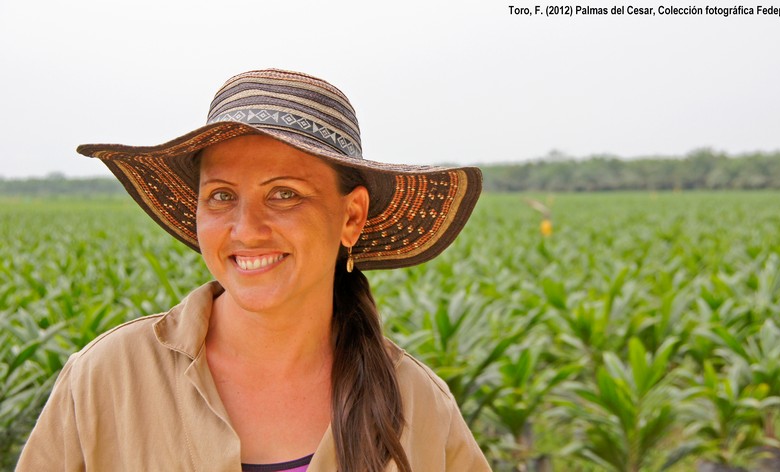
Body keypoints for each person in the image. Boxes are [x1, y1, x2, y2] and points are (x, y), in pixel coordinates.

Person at [17, 69, 489, 471]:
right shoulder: (107, 377)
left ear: (351, 217)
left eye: (284, 194)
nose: (246, 230)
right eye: (222, 196)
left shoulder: (419, 404)